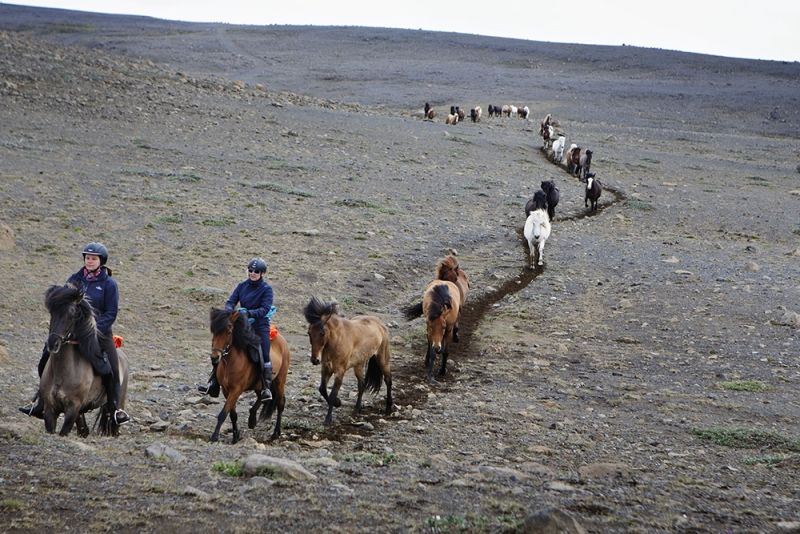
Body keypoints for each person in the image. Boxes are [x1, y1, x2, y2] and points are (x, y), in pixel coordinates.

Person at [19, 243, 130, 425]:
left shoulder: (109, 284)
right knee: (45, 358)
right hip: (71, 332)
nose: (90, 261)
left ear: (101, 261)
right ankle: (40, 403)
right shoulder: (74, 279)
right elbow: (63, 306)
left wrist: (93, 329)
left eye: (94, 258)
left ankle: (115, 409)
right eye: (87, 258)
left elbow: (111, 313)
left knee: (113, 368)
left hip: (99, 333)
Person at [199, 258, 274, 401]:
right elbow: (231, 301)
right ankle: (214, 382)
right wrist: (228, 312)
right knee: (221, 347)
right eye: (250, 271)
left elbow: (265, 308)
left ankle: (266, 387)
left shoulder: (267, 289)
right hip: (243, 325)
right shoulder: (242, 286)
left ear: (262, 273)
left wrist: (249, 313)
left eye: (256, 271)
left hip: (260, 326)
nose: (252, 273)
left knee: (263, 352)